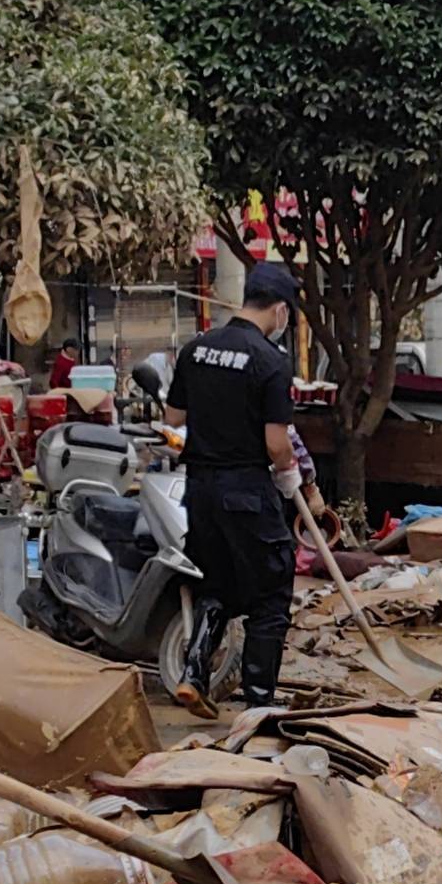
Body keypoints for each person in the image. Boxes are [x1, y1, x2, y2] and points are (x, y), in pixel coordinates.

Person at [165, 263, 305, 715]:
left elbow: (173, 420)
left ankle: (194, 673)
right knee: (271, 593)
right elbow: (276, 443)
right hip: (246, 490)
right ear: (281, 310)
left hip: (199, 491)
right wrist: (289, 474)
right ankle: (259, 704)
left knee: (218, 583)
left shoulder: (196, 349)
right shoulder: (270, 361)